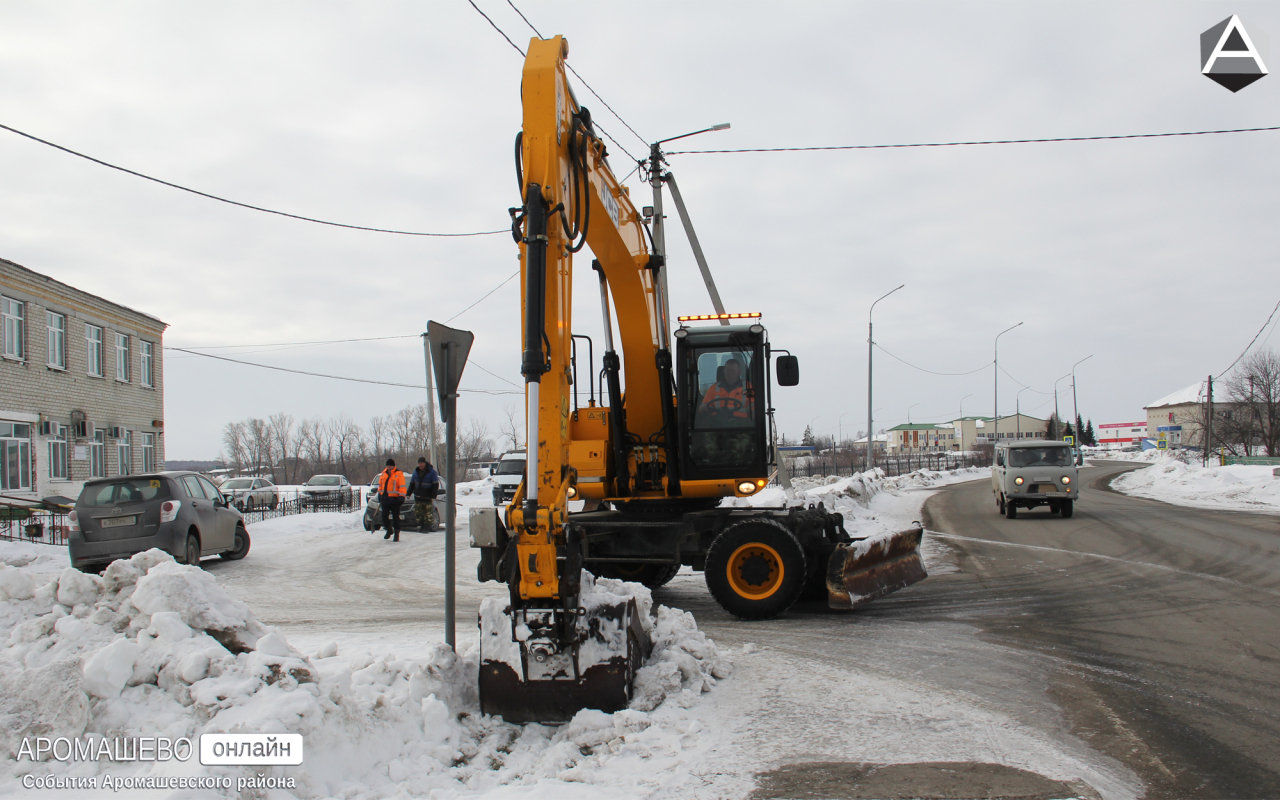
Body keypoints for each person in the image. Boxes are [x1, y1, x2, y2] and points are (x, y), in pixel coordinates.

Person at [698, 358, 754, 426]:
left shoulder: (748, 387)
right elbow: (703, 406)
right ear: (724, 372)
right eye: (728, 371)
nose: (730, 373)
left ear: (739, 372)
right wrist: (704, 407)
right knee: (705, 423)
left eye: (732, 371)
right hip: (718, 423)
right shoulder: (714, 388)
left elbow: (753, 408)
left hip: (740, 423)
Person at [376, 458, 407, 541]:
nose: (389, 467)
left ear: (393, 466)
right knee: (384, 516)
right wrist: (380, 494)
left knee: (396, 518)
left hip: (395, 499)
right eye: (387, 466)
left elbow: (402, 487)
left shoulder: (398, 474)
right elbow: (380, 485)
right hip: (385, 499)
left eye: (390, 466)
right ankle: (389, 529)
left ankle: (396, 533)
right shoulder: (383, 474)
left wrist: (401, 497)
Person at [407, 457, 440, 532]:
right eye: (419, 463)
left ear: (425, 463)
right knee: (419, 513)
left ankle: (427, 527)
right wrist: (408, 493)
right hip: (418, 496)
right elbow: (412, 484)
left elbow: (435, 485)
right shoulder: (416, 472)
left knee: (427, 513)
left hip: (427, 497)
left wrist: (433, 496)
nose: (420, 465)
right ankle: (421, 526)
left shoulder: (432, 472)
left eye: (421, 463)